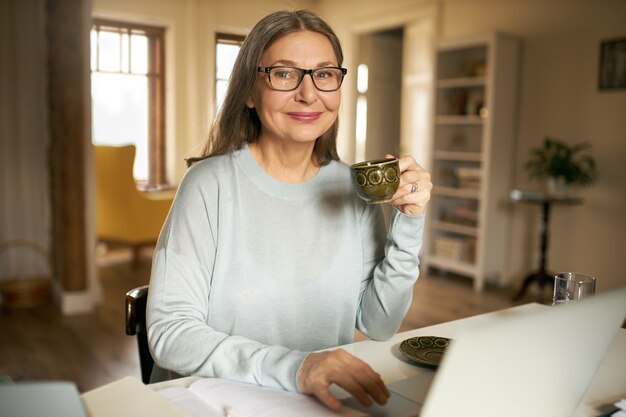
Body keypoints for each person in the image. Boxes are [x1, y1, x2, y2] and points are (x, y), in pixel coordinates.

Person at [146, 9, 432, 411]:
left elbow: (379, 323)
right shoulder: (209, 185)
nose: (308, 93)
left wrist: (409, 219)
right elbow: (170, 334)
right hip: (217, 402)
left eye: (325, 73)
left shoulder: (353, 188)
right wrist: (298, 367)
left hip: (316, 401)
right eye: (284, 74)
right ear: (249, 91)